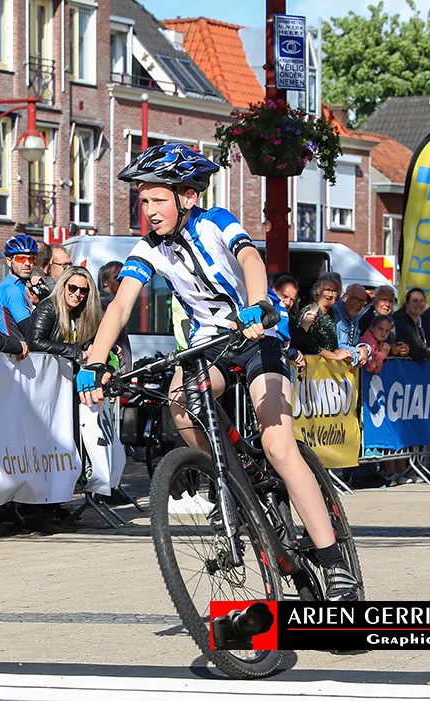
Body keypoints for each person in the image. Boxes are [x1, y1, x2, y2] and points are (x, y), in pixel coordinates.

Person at [77, 143, 361, 600]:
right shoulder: (147, 249)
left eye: (155, 200)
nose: (146, 210)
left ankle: (333, 563)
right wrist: (95, 362)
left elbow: (250, 259)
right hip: (210, 342)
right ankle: (228, 481)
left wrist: (255, 306)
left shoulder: (215, 222)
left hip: (258, 336)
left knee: (279, 446)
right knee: (180, 397)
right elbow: (122, 304)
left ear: (186, 196)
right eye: (142, 201)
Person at [23, 267, 104, 362]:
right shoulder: (48, 308)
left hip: (66, 373)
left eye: (83, 290)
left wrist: (88, 345)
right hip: (46, 371)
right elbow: (34, 342)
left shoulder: (78, 312)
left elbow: (79, 339)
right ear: (63, 286)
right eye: (72, 288)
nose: (77, 294)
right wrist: (75, 351)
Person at [0, 234, 40, 336]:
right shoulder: (10, 289)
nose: (27, 263)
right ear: (9, 261)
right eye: (21, 259)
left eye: (31, 259)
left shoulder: (24, 287)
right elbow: (31, 332)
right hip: (16, 349)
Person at [291, 275, 345, 358]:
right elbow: (307, 344)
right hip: (311, 366)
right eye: (327, 290)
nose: (330, 294)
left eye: (334, 291)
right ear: (318, 291)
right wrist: (333, 355)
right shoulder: (312, 310)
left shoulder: (332, 313)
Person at [331, 283, 372, 367]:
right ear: (345, 297)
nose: (358, 304)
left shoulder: (355, 317)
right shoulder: (335, 311)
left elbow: (353, 344)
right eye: (355, 299)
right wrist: (357, 354)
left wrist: (365, 349)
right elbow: (337, 346)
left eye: (362, 301)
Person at [393, 288, 430, 361]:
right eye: (415, 301)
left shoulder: (420, 323)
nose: (419, 304)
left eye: (421, 301)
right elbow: (414, 348)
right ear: (407, 304)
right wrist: (429, 354)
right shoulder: (401, 321)